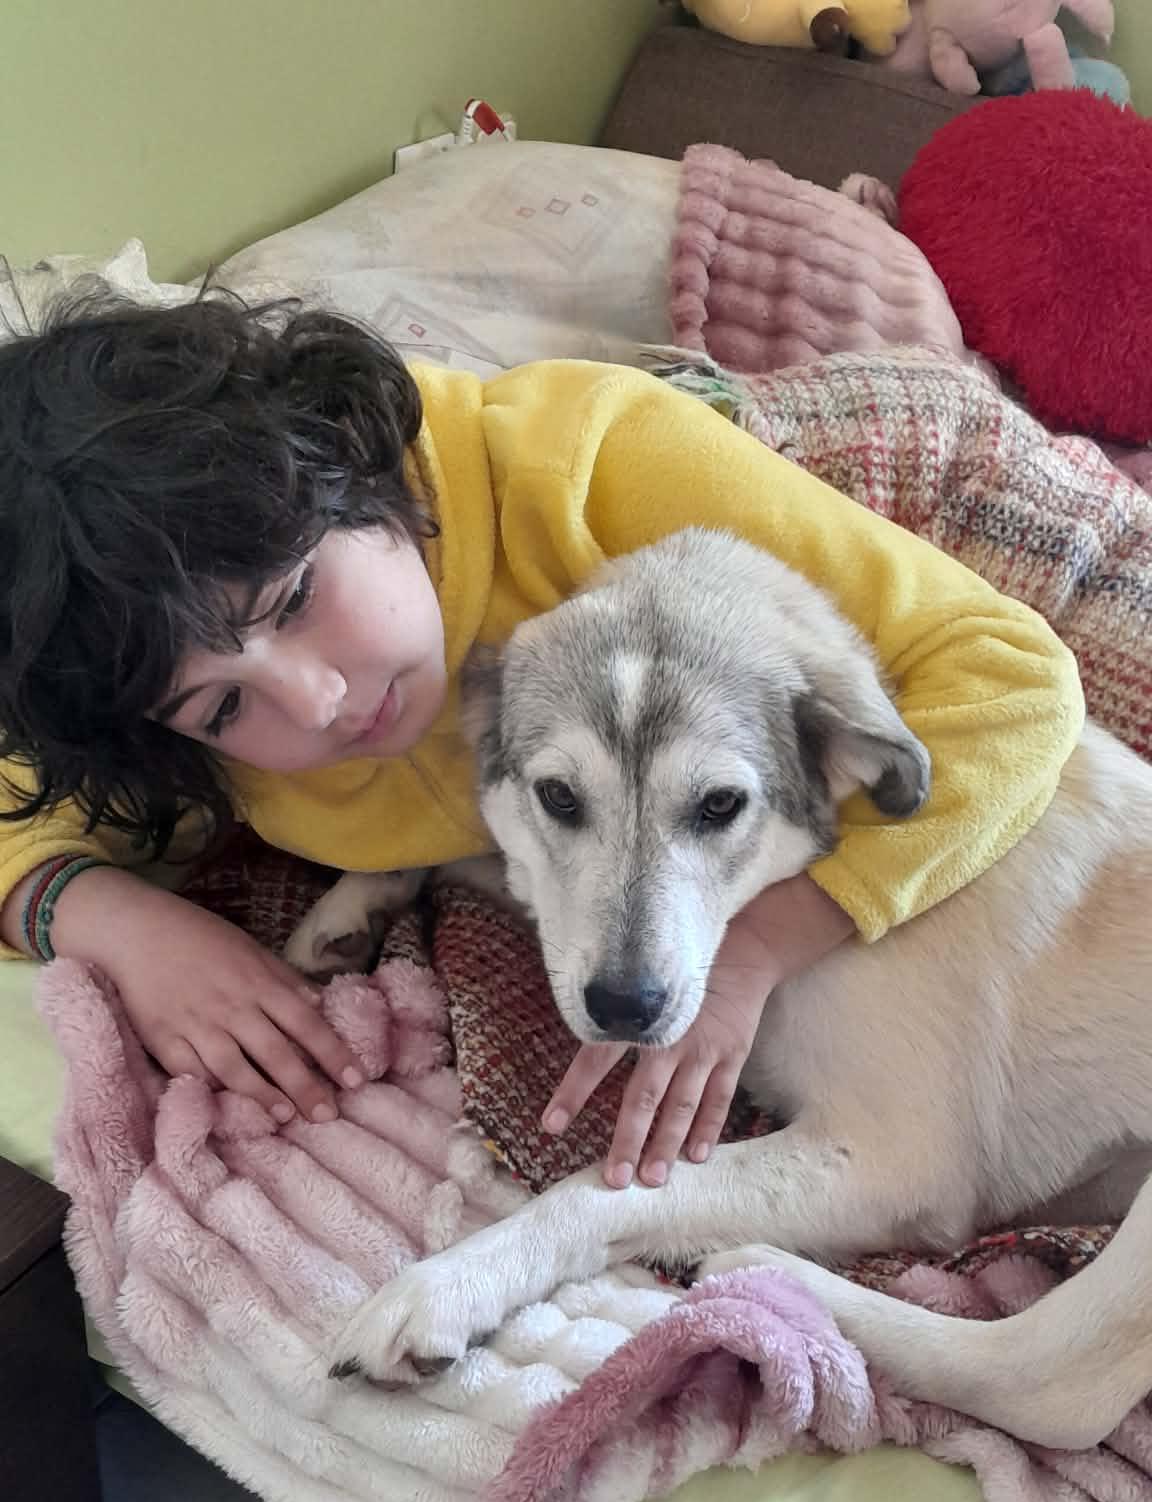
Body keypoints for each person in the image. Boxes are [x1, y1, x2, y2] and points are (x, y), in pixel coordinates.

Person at [0, 289, 1082, 1189]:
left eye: (295, 598)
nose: (319, 699)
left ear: (347, 465)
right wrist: (122, 923)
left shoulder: (594, 456)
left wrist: (766, 944)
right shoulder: (162, 688)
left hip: (796, 515)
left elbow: (1016, 682)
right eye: (223, 708)